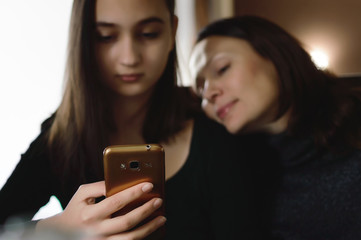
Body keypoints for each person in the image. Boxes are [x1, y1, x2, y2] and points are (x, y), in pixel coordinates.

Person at [0, 1, 249, 239]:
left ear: (172, 31)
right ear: (84, 40)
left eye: (149, 33)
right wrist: (58, 228)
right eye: (106, 37)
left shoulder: (214, 127)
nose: (129, 58)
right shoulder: (60, 138)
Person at [189, 15, 361, 239]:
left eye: (222, 69)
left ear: (274, 54)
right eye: (200, 90)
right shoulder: (231, 177)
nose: (209, 93)